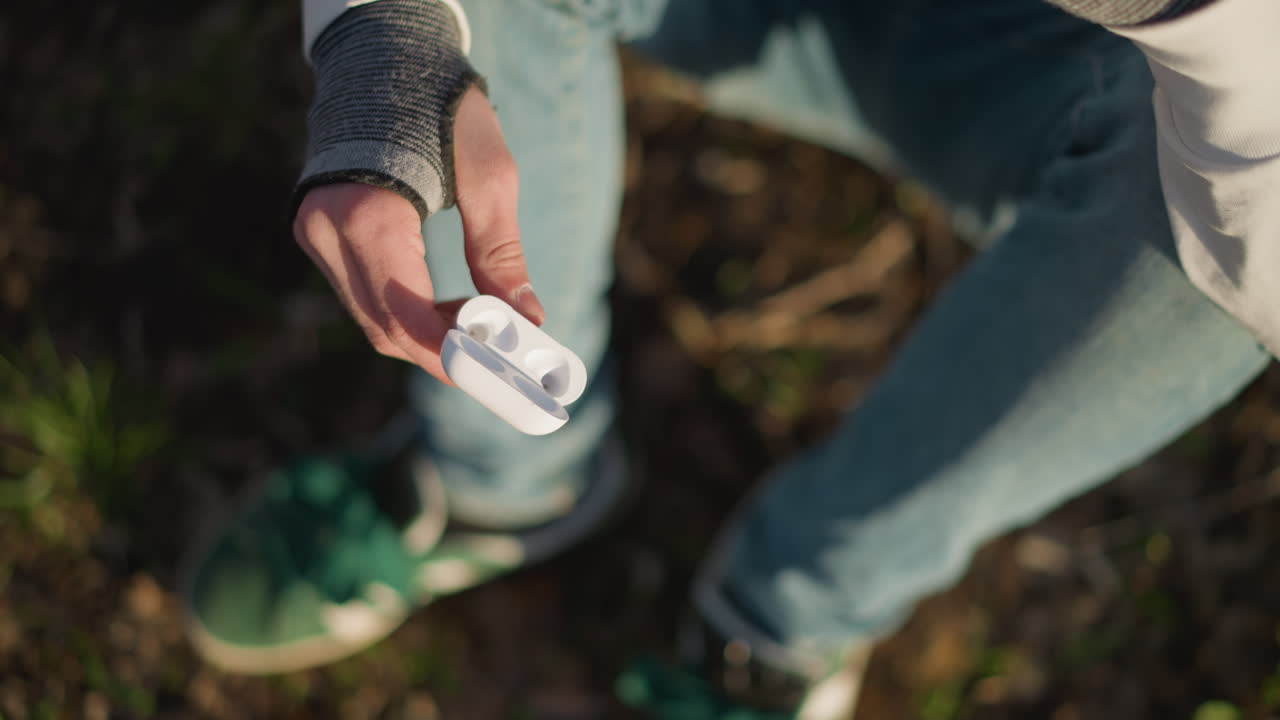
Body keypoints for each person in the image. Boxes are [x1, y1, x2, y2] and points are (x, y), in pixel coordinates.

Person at [179, 0, 1280, 716]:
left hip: (1216, 134)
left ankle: (777, 627)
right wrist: (392, 35)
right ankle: (505, 484)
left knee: (1219, 257)